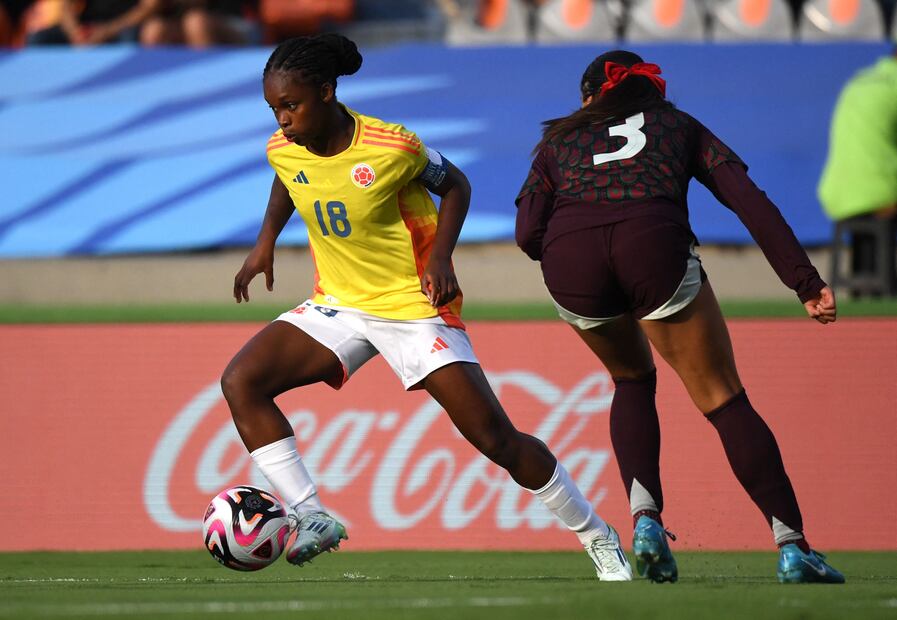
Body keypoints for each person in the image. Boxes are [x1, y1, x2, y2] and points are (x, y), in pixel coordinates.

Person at [221, 33, 632, 581]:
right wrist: (265, 240)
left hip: (416, 307)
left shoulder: (393, 147)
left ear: (325, 92)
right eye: (274, 108)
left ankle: (597, 536)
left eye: (290, 105)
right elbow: (288, 178)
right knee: (241, 380)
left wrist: (441, 258)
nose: (282, 119)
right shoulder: (283, 145)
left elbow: (456, 185)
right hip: (338, 304)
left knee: (496, 440)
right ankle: (310, 515)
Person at [515, 50, 845, 584]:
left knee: (630, 380)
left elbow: (528, 233)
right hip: (652, 246)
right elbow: (749, 201)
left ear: (589, 96)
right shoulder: (679, 125)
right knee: (722, 398)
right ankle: (793, 548)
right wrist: (804, 282)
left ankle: (645, 521)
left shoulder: (558, 139)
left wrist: (575, 249)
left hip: (570, 261)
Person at [817, 50, 897, 295]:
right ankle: (883, 287)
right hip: (879, 193)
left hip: (837, 192)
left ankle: (863, 291)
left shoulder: (859, 81)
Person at [26, 0, 154, 45]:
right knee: (38, 39)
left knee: (130, 37)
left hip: (120, 27)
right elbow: (65, 8)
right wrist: (75, 33)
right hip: (88, 27)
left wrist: (107, 31)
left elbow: (149, 7)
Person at [140, 0, 259, 47]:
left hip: (239, 24)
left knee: (197, 23)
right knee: (154, 31)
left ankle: (209, 84)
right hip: (185, 24)